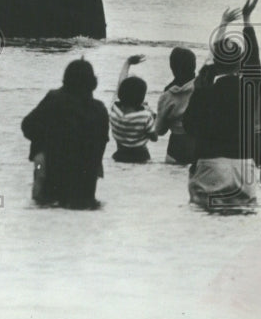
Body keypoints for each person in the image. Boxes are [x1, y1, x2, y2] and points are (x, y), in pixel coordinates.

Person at [183, 0, 261, 213]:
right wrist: (247, 20)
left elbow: (188, 125)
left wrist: (223, 25)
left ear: (216, 64)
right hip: (243, 170)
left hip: (210, 166)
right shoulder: (251, 88)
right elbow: (254, 58)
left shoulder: (204, 88)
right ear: (240, 64)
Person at [20, 58, 109, 209]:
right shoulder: (100, 110)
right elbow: (101, 144)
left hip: (52, 187)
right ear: (93, 83)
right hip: (85, 192)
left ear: (66, 79)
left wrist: (42, 147)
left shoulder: (55, 99)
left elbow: (27, 126)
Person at [110, 55, 158, 163]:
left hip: (120, 155)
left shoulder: (114, 109)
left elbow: (120, 86)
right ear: (141, 99)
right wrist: (153, 116)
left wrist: (127, 63)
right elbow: (154, 138)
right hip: (141, 157)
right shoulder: (145, 116)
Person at [154, 47, 198, 165]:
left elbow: (160, 130)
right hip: (199, 148)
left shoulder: (167, 94)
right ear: (194, 65)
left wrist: (152, 116)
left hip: (176, 149)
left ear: (172, 68)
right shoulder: (203, 87)